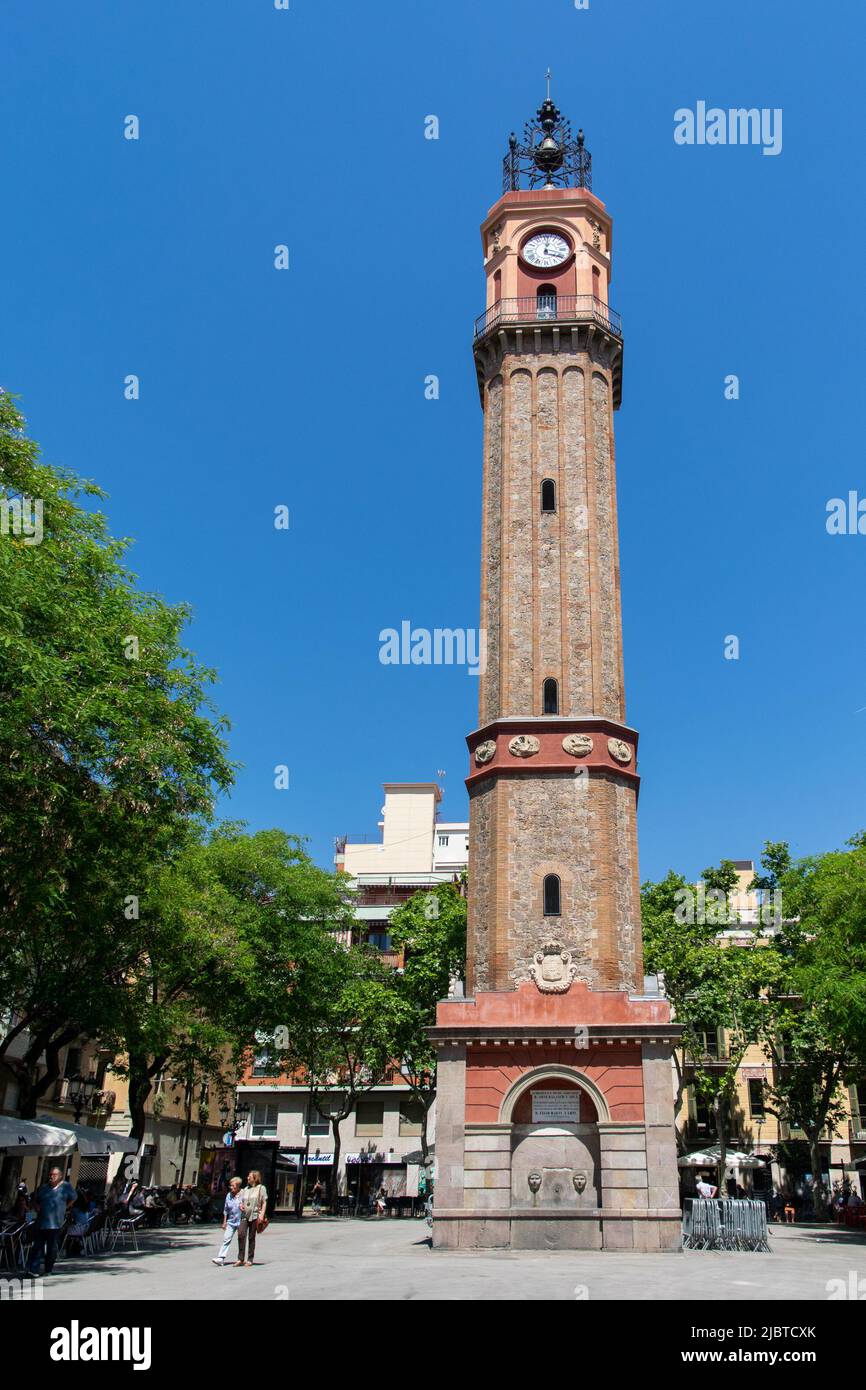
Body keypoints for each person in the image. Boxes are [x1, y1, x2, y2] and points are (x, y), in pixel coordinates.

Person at [28, 1166, 77, 1276]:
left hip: (55, 1223)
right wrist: (36, 1206)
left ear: (60, 1176)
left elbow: (74, 1197)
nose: (51, 1177)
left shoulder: (66, 1186)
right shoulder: (43, 1188)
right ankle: (33, 1270)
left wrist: (65, 1207)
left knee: (51, 1248)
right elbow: (36, 1201)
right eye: (50, 1175)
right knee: (37, 1246)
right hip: (41, 1222)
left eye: (54, 1175)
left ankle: (48, 1269)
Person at [236, 1170, 268, 1267]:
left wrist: (262, 1214)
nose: (247, 1178)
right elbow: (242, 1201)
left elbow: (264, 1202)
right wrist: (241, 1205)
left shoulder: (261, 1188)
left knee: (251, 1237)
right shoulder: (245, 1189)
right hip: (244, 1215)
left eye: (249, 1176)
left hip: (255, 1215)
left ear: (255, 1178)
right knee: (241, 1234)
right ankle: (240, 1259)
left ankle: (250, 1259)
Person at [212, 1176, 243, 1266]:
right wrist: (224, 1222)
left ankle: (241, 1258)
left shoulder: (243, 1194)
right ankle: (221, 1258)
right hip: (231, 1221)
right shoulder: (229, 1195)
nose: (231, 1187)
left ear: (238, 1186)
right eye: (230, 1186)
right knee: (226, 1239)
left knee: (241, 1239)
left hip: (241, 1221)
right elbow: (226, 1210)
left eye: (233, 1186)